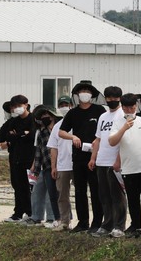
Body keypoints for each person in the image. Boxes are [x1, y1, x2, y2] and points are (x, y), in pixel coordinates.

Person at [109, 93, 141, 238]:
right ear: (122, 107)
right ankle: (136, 226)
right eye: (126, 107)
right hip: (129, 168)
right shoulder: (118, 123)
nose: (130, 110)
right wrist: (124, 128)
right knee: (133, 199)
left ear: (136, 106)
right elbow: (112, 142)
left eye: (132, 106)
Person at [59, 80, 105, 233]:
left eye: (87, 91)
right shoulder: (73, 112)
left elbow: (105, 130)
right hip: (78, 156)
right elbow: (61, 131)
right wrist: (73, 137)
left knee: (96, 190)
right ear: (77, 95)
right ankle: (82, 222)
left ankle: (97, 222)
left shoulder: (99, 110)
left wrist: (97, 140)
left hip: (95, 156)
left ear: (92, 94)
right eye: (81, 91)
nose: (84, 93)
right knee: (79, 191)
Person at [0, 95, 35, 222]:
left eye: (19, 106)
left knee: (28, 187)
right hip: (15, 158)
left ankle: (31, 212)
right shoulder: (12, 122)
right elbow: (0, 136)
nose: (16, 109)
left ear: (26, 105)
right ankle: (18, 213)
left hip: (29, 158)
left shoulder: (33, 119)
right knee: (17, 185)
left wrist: (17, 136)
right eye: (14, 107)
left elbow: (32, 135)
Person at [88, 86, 127, 238]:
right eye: (108, 98)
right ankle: (107, 224)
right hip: (101, 161)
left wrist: (118, 160)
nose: (111, 100)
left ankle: (119, 226)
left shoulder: (123, 115)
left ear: (120, 98)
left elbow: (124, 140)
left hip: (114, 162)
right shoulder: (103, 116)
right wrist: (93, 158)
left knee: (117, 195)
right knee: (104, 195)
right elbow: (98, 139)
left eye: (114, 98)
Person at [22, 106, 61, 227]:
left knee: (57, 193)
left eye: (47, 116)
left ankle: (55, 218)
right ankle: (37, 216)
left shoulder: (60, 129)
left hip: (59, 165)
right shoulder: (40, 132)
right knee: (40, 191)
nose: (45, 118)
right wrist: (35, 166)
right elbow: (38, 150)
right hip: (45, 165)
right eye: (42, 117)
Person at [48, 95, 73, 231]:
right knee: (62, 195)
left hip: (78, 164)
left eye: (66, 104)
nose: (64, 107)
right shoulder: (57, 126)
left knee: (83, 194)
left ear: (71, 105)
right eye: (61, 105)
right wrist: (54, 166)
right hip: (63, 165)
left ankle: (84, 222)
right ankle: (65, 222)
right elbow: (53, 148)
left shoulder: (78, 121)